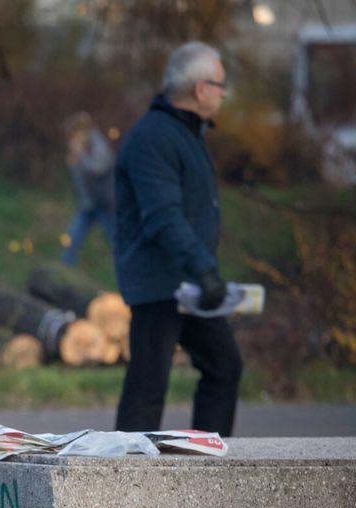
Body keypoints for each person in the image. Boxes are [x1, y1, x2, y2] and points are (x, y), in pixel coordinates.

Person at [113, 41, 242, 436]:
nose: (223, 92)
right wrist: (204, 270)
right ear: (201, 89)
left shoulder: (185, 132)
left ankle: (208, 464)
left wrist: (202, 274)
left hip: (184, 280)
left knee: (223, 365)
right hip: (160, 282)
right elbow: (163, 216)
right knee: (149, 385)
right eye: (220, 84)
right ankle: (126, 476)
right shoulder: (155, 137)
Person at [60, 111, 116, 266]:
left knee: (116, 243)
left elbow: (100, 167)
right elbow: (78, 180)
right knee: (72, 238)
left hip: (106, 204)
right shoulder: (79, 148)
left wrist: (81, 156)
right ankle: (63, 272)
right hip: (87, 204)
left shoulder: (98, 145)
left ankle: (128, 276)